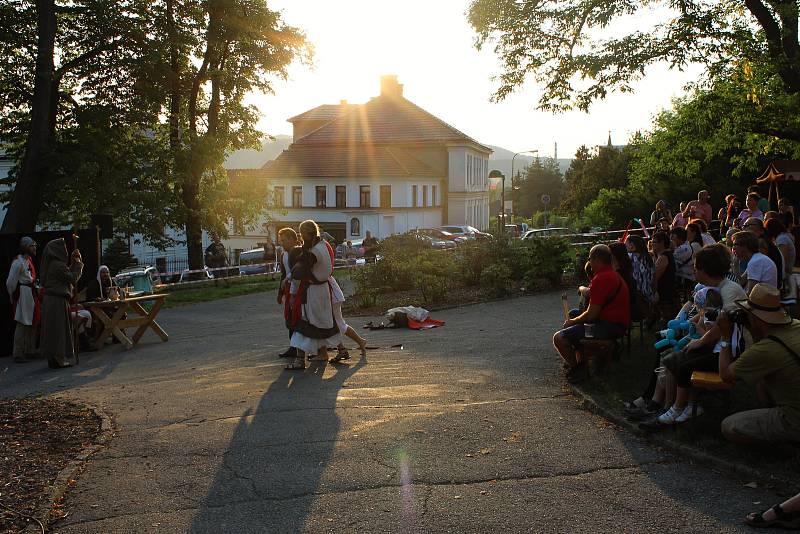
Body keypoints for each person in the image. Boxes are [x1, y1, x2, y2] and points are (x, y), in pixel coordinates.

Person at [640, 245, 747, 426]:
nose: (693, 271)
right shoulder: (716, 286)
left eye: (695, 267)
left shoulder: (729, 289)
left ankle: (678, 408)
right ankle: (670, 406)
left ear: (704, 270)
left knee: (683, 364)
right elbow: (705, 314)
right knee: (671, 357)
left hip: (728, 350)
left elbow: (723, 325)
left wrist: (700, 342)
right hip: (716, 346)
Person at [717, 283, 800, 445]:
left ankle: (788, 443)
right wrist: (755, 330)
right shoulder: (796, 325)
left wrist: (725, 337)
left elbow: (726, 375)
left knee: (730, 426)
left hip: (795, 416)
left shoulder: (766, 349)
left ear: (755, 317)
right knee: (763, 377)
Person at [553, 244, 630, 383]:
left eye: (590, 258)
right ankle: (582, 362)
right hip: (616, 324)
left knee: (559, 338)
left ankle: (578, 369)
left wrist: (573, 321)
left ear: (597, 260)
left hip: (608, 326)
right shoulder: (613, 274)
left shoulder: (602, 278)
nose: (589, 262)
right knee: (574, 324)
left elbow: (592, 314)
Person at [286, 220, 342, 370]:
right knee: (324, 322)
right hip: (321, 290)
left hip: (314, 292)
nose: (301, 237)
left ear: (306, 234)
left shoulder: (315, 251)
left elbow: (301, 270)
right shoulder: (322, 245)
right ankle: (340, 349)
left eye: (302, 233)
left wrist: (290, 276)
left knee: (304, 323)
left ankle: (299, 360)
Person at [39, 238, 84, 369]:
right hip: (56, 301)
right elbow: (72, 278)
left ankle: (54, 358)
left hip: (52, 300)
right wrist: (78, 264)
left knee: (54, 330)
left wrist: (72, 263)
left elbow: (66, 276)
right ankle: (58, 358)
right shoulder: (57, 265)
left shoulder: (53, 264)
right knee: (58, 330)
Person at [5, 237, 39, 362]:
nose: (34, 248)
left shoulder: (28, 260)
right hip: (23, 294)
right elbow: (10, 283)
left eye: (34, 245)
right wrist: (13, 296)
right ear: (25, 247)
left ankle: (30, 350)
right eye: (32, 246)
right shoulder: (17, 262)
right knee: (22, 323)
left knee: (32, 322)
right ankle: (18, 353)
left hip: (31, 293)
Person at [277, 228, 301, 359]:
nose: (282, 243)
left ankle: (301, 348)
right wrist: (280, 294)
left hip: (297, 289)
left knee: (299, 318)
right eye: (281, 241)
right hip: (288, 288)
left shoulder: (297, 253)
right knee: (290, 319)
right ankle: (293, 347)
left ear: (292, 240)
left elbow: (298, 273)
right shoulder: (283, 254)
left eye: (284, 241)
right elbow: (283, 274)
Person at [651, 231, 676, 323]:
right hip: (665, 290)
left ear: (661, 243)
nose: (652, 244)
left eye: (654, 242)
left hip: (664, 292)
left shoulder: (664, 257)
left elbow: (654, 277)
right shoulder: (661, 255)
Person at [625, 235, 655, 305]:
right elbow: (654, 277)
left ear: (632, 245)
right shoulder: (648, 257)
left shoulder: (631, 257)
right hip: (648, 294)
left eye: (626, 245)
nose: (625, 247)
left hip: (637, 295)